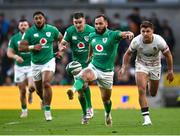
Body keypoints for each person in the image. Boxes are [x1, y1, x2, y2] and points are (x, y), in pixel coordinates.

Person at [66, 14, 134, 126]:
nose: (98, 26)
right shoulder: (92, 35)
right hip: (94, 67)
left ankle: (107, 114)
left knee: (106, 99)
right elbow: (91, 46)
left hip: (107, 72)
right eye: (96, 24)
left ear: (106, 24)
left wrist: (128, 33)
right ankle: (73, 90)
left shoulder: (112, 34)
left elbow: (122, 33)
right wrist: (89, 56)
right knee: (84, 75)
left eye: (100, 23)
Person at [119, 21, 174, 126]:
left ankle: (149, 83)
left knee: (153, 93)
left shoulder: (159, 41)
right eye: (143, 31)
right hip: (141, 65)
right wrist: (123, 67)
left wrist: (170, 71)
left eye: (148, 31)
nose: (145, 34)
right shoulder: (136, 41)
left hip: (155, 67)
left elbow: (168, 55)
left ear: (152, 31)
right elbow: (127, 54)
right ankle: (146, 118)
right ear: (140, 31)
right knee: (141, 89)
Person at [19, 11, 63, 121]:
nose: (38, 20)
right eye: (36, 18)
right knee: (39, 90)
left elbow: (61, 39)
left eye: (40, 18)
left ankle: (47, 110)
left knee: (46, 83)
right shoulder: (29, 32)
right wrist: (32, 47)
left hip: (49, 61)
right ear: (34, 20)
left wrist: (60, 51)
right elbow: (20, 47)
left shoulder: (52, 29)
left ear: (44, 19)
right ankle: (43, 100)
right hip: (35, 64)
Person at [59, 12, 94, 125]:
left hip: (89, 62)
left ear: (84, 21)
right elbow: (62, 42)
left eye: (80, 22)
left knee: (84, 83)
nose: (78, 25)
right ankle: (85, 114)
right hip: (77, 64)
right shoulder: (69, 31)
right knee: (81, 92)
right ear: (73, 22)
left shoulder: (91, 30)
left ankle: (90, 108)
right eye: (75, 22)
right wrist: (62, 47)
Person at [7, 19, 35, 118]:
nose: (23, 26)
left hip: (31, 65)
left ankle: (31, 93)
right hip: (19, 67)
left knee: (31, 87)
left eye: (25, 25)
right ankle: (24, 110)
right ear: (19, 27)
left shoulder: (33, 37)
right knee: (22, 90)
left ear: (29, 26)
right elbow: (9, 53)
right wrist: (16, 56)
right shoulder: (14, 38)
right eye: (21, 25)